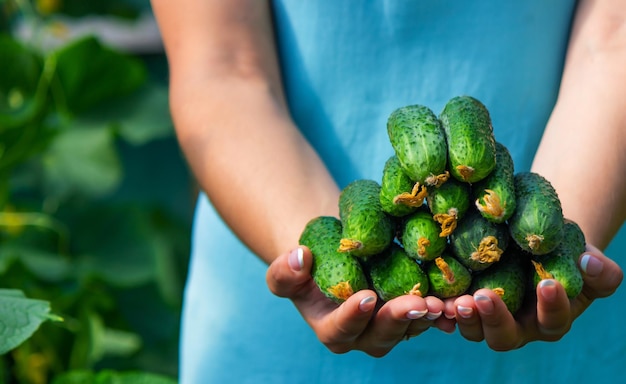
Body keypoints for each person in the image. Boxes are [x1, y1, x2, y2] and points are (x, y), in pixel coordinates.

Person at [150, 1, 625, 382]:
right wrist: (321, 260)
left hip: (579, 219)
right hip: (272, 275)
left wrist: (559, 240)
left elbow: (616, 35)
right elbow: (222, 66)